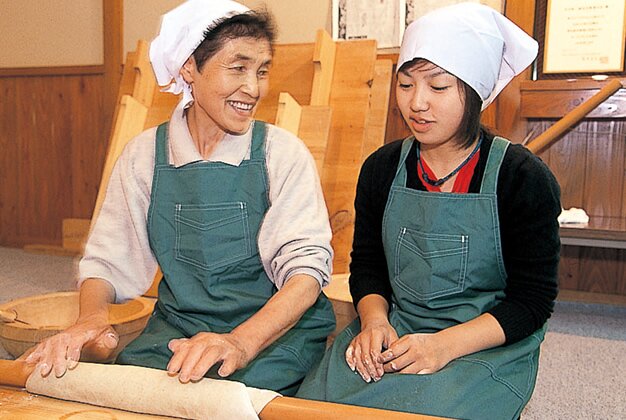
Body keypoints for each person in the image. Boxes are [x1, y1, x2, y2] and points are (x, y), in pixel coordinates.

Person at [23, 0, 335, 396]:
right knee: (131, 393)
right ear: (189, 67)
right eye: (237, 68)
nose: (254, 88)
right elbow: (107, 260)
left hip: (272, 331)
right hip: (179, 326)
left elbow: (305, 276)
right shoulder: (144, 156)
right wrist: (91, 318)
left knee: (232, 399)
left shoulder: (281, 153)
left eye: (261, 71)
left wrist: (240, 342)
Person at [296, 3, 560, 418]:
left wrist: (442, 347)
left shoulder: (521, 177)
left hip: (482, 341)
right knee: (313, 408)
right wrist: (373, 322)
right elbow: (367, 264)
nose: (417, 103)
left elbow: (532, 302)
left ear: (473, 93)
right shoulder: (382, 168)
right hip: (397, 327)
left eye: (437, 87)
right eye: (405, 85)